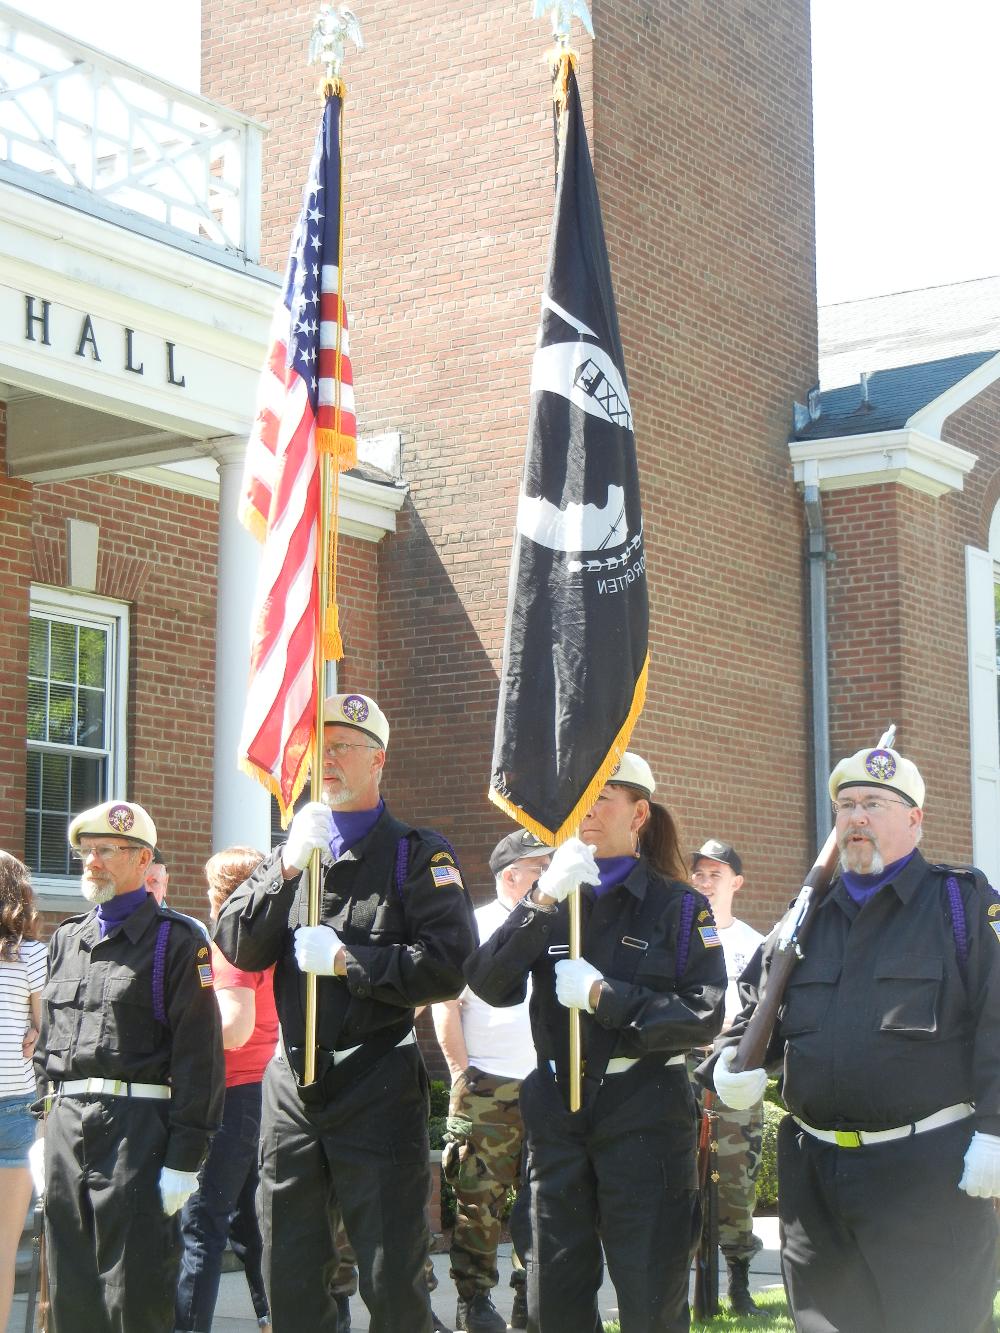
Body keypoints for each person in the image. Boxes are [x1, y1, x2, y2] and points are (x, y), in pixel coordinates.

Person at [710, 744, 1000, 1333]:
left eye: (874, 803)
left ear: (914, 819)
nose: (857, 817)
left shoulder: (960, 903)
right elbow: (753, 1007)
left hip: (927, 1175)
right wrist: (726, 1066)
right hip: (815, 1176)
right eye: (845, 806)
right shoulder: (807, 913)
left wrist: (996, 1133)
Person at [214, 692, 479, 1333]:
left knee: (392, 1272)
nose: (326, 759)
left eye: (342, 747)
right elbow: (234, 941)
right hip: (292, 1084)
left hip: (375, 1080)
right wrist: (281, 867)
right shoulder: (293, 853)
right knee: (291, 1270)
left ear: (378, 760)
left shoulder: (418, 855)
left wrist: (347, 962)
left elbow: (449, 963)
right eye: (319, 747)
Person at [465, 752, 727, 1333]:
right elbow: (487, 981)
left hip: (643, 1107)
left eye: (601, 797)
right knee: (552, 1290)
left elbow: (703, 1015)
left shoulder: (678, 906)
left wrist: (609, 998)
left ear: (639, 816)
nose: (585, 810)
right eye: (579, 798)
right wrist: (541, 900)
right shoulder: (552, 898)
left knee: (649, 1290)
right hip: (558, 1107)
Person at [34, 800, 225, 1333]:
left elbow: (199, 1055)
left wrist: (186, 1156)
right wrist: (43, 1129)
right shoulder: (67, 939)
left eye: (105, 851)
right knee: (70, 1289)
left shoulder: (178, 941)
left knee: (134, 1292)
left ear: (143, 861)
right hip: (66, 1126)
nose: (91, 862)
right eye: (85, 852)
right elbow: (49, 1046)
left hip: (136, 1131)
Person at [432, 829, 551, 1333]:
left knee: (541, 1199)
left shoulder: (557, 925)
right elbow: (447, 1008)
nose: (549, 875)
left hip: (546, 1086)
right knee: (477, 1200)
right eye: (540, 868)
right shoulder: (477, 927)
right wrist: (463, 1074)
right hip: (488, 1087)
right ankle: (474, 1300)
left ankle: (531, 1296)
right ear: (511, 876)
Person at [175, 846, 276, 1333]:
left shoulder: (232, 944)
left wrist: (175, 1034)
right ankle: (270, 1314)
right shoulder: (274, 941)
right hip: (265, 1093)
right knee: (251, 1220)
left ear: (220, 893)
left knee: (202, 1223)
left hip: (232, 1093)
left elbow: (233, 1029)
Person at [689, 839, 764, 1317]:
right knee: (682, 1181)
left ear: (736, 882)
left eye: (715, 873)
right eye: (697, 873)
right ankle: (686, 1289)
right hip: (682, 1072)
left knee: (737, 1182)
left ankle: (737, 1285)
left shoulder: (755, 944)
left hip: (733, 1076)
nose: (704, 881)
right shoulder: (677, 933)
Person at [0, 852, 46, 1332]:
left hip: (13, 1106)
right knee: (3, 1249)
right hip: (15, 1104)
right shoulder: (33, 954)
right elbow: (42, 1029)